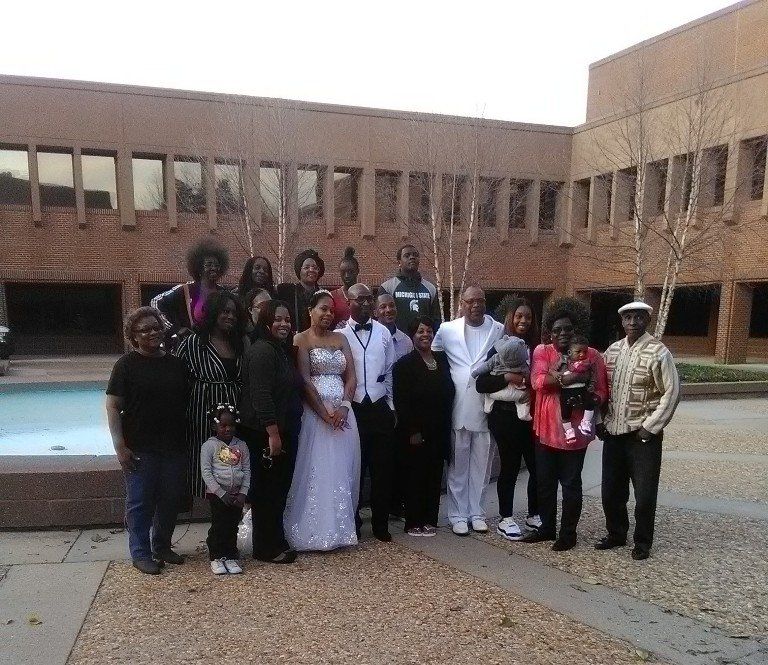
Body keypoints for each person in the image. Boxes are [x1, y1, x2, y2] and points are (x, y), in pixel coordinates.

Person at [105, 306, 189, 575]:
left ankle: (161, 546)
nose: (153, 333)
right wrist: (120, 446)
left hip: (173, 445)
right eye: (145, 329)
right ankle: (140, 553)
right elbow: (113, 406)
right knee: (140, 502)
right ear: (134, 335)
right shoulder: (126, 365)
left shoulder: (176, 364)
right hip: (140, 446)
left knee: (170, 499)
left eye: (156, 327)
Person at [596, 301, 680, 561]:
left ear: (647, 320)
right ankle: (616, 533)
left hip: (642, 436)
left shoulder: (659, 352)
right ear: (622, 322)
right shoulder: (611, 352)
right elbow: (600, 390)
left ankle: (642, 542)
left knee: (644, 494)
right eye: (628, 318)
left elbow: (672, 391)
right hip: (614, 433)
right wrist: (600, 420)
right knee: (611, 491)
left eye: (638, 317)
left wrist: (650, 427)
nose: (632, 322)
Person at [521, 298, 608, 551]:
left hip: (575, 433)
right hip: (546, 429)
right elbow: (537, 381)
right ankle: (546, 528)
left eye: (568, 329)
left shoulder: (592, 355)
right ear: (549, 332)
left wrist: (591, 397)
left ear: (575, 329)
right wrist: (568, 377)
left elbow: (602, 390)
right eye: (557, 329)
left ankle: (568, 534)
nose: (563, 333)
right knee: (545, 483)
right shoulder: (542, 351)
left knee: (570, 484)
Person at [284, 290, 361, 551]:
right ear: (310, 310)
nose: (328, 313)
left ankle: (339, 529)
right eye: (323, 309)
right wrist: (325, 415)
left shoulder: (341, 339)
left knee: (341, 469)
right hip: (316, 418)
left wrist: (344, 407)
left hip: (343, 416)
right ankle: (313, 529)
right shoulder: (301, 339)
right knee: (316, 469)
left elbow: (351, 376)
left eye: (331, 310)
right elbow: (304, 380)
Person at [431, 286, 504, 536]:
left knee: (482, 465)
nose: (475, 305)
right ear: (462, 303)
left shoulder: (498, 329)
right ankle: (457, 515)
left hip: (486, 405)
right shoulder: (446, 330)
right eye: (470, 301)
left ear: (485, 303)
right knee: (458, 465)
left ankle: (477, 512)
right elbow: (436, 357)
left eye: (480, 301)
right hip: (458, 406)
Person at [239, 300, 303, 564]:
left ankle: (275, 539)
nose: (284, 324)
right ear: (266, 322)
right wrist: (273, 434)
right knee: (266, 492)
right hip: (265, 433)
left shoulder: (279, 350)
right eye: (277, 319)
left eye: (287, 319)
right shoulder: (262, 351)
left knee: (278, 491)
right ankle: (265, 548)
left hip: (283, 431)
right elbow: (261, 396)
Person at [476, 296, 541, 541]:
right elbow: (481, 382)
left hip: (533, 416)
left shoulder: (538, 348)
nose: (523, 320)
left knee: (536, 466)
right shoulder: (500, 346)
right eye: (519, 316)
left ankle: (534, 514)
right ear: (511, 319)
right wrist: (508, 378)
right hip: (505, 417)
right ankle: (506, 518)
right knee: (510, 467)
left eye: (528, 317)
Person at [337, 283, 398, 542]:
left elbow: (390, 372)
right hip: (354, 408)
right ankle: (353, 521)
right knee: (354, 469)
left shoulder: (384, 332)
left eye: (367, 300)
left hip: (379, 405)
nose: (364, 304)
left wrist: (392, 406)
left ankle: (381, 524)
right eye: (358, 300)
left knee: (382, 469)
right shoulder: (340, 335)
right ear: (348, 302)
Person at [175, 291, 246, 498]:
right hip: (202, 412)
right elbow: (178, 378)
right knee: (207, 462)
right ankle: (211, 501)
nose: (230, 316)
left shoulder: (239, 344)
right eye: (225, 311)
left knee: (230, 463)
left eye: (234, 313)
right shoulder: (193, 343)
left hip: (233, 413)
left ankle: (228, 500)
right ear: (213, 313)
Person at [393, 316, 455, 536]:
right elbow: (402, 401)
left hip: (439, 428)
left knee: (434, 475)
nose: (425, 335)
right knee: (415, 476)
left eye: (429, 331)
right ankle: (413, 521)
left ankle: (430, 519)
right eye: (420, 331)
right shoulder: (404, 365)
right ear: (412, 335)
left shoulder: (442, 360)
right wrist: (413, 431)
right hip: (416, 430)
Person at [200, 404, 250, 575]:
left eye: (231, 425)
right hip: (218, 494)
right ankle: (217, 556)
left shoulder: (241, 446)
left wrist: (243, 493)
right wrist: (220, 493)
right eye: (223, 425)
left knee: (232, 524)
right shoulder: (209, 446)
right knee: (219, 524)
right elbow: (206, 472)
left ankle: (230, 555)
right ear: (215, 426)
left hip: (236, 494)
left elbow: (246, 470)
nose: (228, 429)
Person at [152, 238, 229, 347]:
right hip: (190, 348)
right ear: (199, 267)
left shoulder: (224, 292)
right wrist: (175, 329)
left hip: (218, 348)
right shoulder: (185, 290)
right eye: (209, 264)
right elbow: (155, 303)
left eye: (217, 265)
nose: (214, 268)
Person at [379, 244, 441, 331]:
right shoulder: (387, 287)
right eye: (407, 255)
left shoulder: (431, 289)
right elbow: (381, 319)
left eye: (415, 255)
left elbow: (436, 320)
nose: (412, 257)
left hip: (422, 341)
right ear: (399, 262)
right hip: (397, 341)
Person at [471, 334, 531, 419]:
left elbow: (534, 378)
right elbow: (481, 384)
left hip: (527, 415)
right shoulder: (498, 349)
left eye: (528, 319)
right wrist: (507, 377)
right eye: (517, 319)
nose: (523, 321)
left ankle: (523, 414)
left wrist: (526, 381)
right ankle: (523, 414)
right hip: (500, 414)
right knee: (523, 397)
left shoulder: (535, 345)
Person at [556, 334, 597, 441]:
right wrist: (558, 375)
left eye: (585, 352)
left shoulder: (588, 363)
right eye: (578, 352)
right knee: (565, 413)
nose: (582, 354)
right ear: (569, 352)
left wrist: (591, 385)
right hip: (566, 392)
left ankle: (586, 422)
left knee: (590, 403)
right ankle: (569, 432)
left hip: (582, 390)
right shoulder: (564, 362)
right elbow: (553, 371)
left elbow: (593, 375)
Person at [277, 249, 325, 333]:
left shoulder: (324, 295)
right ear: (299, 271)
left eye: (315, 267)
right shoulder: (286, 292)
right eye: (306, 267)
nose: (311, 270)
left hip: (317, 341)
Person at [375, 292, 414, 363]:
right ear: (375, 313)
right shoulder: (369, 338)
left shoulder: (406, 341)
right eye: (383, 307)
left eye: (391, 305)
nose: (388, 310)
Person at [330, 246, 360, 328]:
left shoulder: (365, 294)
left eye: (350, 272)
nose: (347, 276)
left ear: (357, 271)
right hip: (338, 338)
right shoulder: (332, 296)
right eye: (343, 272)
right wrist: (335, 327)